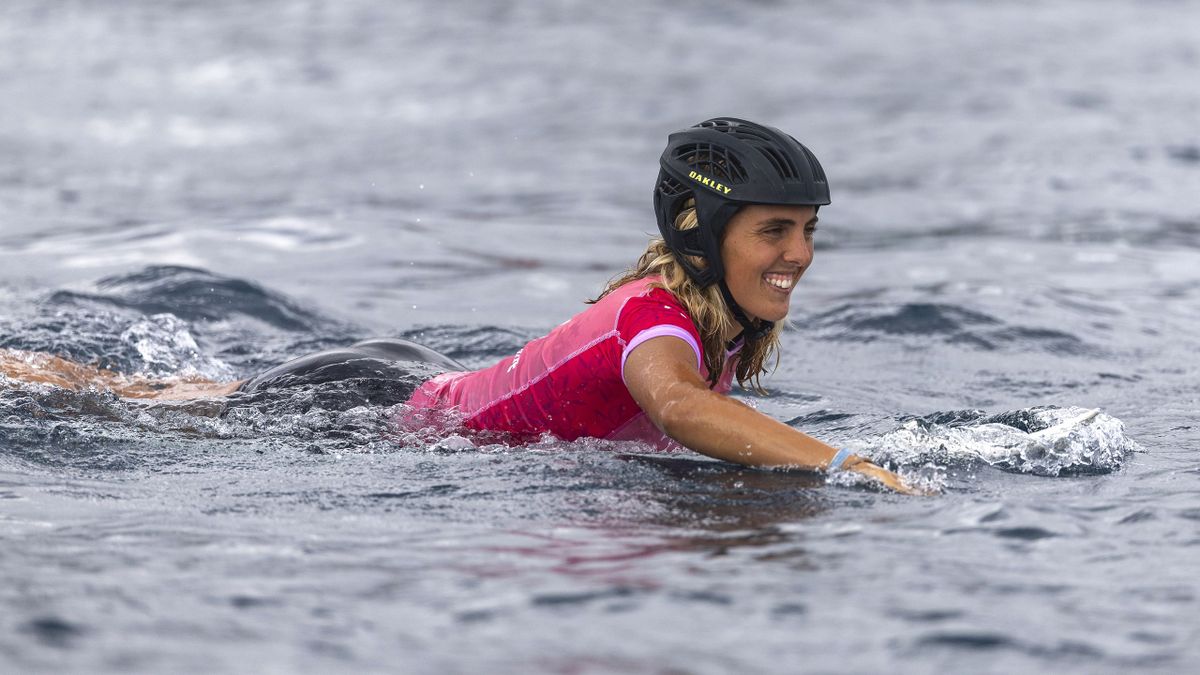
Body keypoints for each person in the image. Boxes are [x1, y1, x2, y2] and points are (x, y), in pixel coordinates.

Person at [1, 117, 915, 494]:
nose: (798, 253)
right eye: (774, 230)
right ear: (697, 227)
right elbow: (679, 408)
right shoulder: (658, 320)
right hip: (370, 405)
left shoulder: (708, 321)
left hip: (419, 380)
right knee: (128, 404)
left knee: (161, 396)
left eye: (807, 230)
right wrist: (852, 467)